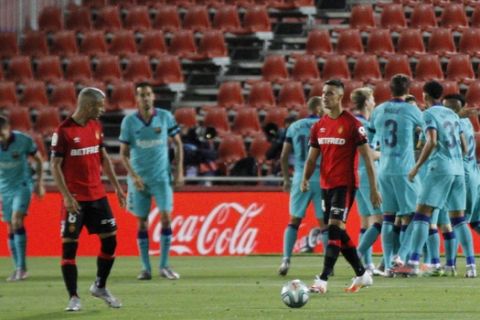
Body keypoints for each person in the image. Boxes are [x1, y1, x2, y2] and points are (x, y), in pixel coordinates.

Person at [302, 79, 382, 294]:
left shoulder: (353, 125)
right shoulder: (318, 126)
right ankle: (361, 273)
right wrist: (304, 178)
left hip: (345, 185)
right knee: (339, 232)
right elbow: (311, 159)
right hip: (326, 185)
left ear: (339, 97)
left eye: (329, 93)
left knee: (335, 229)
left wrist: (374, 188)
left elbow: (367, 158)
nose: (324, 96)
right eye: (323, 93)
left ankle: (323, 279)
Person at [51, 87, 126, 311]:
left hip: (98, 195)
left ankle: (100, 286)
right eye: (99, 105)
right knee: (69, 247)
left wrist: (117, 187)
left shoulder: (95, 126)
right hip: (75, 199)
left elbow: (103, 158)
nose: (102, 109)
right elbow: (55, 166)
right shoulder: (63, 131)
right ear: (88, 105)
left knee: (111, 241)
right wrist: (66, 196)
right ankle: (73, 297)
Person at [402, 81, 476, 277]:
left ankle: (413, 262)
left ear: (425, 96)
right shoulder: (452, 114)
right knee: (458, 219)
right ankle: (470, 266)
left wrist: (416, 167)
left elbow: (432, 141)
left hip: (440, 168)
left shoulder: (428, 114)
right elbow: (465, 147)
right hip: (459, 169)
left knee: (421, 215)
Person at [119, 82, 184, 281]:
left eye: (148, 94)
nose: (145, 98)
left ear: (153, 96)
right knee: (142, 223)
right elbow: (123, 154)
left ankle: (164, 265)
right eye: (141, 95)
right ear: (136, 99)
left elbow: (178, 144)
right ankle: (145, 268)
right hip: (139, 181)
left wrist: (179, 170)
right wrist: (134, 176)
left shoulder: (164, 117)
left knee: (166, 217)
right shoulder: (129, 122)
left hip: (162, 177)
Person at [368, 74, 423, 276]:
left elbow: (370, 137)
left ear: (389, 89)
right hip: (404, 170)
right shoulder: (411, 109)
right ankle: (400, 256)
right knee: (417, 214)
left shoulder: (379, 110)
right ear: (408, 90)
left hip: (384, 168)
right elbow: (428, 131)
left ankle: (388, 264)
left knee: (388, 217)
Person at [278, 96, 327, 276]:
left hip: (300, 178)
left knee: (294, 221)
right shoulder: (325, 125)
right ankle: (327, 264)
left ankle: (285, 260)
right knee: (325, 224)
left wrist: (286, 178)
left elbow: (283, 156)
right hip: (321, 179)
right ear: (320, 109)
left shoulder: (294, 126)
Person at [0, 116, 44, 281]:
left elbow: (39, 160)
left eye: (2, 134)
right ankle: (18, 267)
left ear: (8, 128)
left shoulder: (23, 140)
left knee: (17, 220)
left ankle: (21, 268)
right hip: (4, 189)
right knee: (10, 227)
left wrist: (39, 183)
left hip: (22, 185)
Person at [350, 88, 382, 275]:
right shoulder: (363, 124)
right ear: (367, 102)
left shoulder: (355, 122)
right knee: (381, 220)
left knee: (366, 222)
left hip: (356, 174)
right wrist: (388, 154)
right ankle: (358, 257)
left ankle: (367, 264)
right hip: (368, 174)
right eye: (373, 98)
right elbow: (369, 153)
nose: (374, 102)